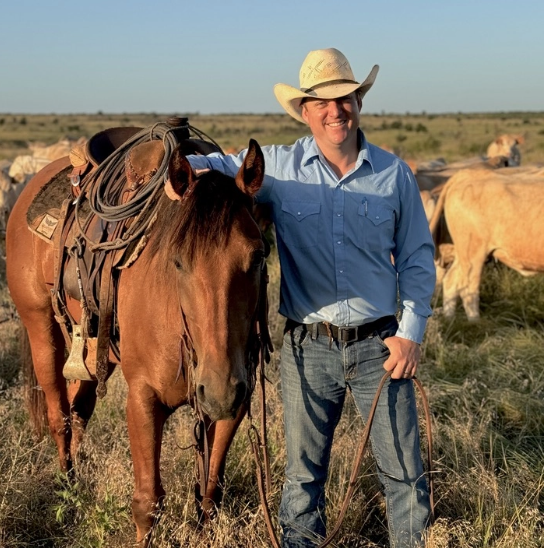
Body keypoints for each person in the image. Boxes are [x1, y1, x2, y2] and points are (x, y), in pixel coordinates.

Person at [182, 48, 436, 547]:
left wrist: (410, 335)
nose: (334, 111)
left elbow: (417, 259)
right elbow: (211, 164)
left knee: (405, 477)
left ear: (359, 103)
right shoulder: (277, 168)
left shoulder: (395, 174)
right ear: (304, 111)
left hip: (379, 348)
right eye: (321, 102)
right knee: (302, 480)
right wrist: (162, 170)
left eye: (344, 99)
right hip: (308, 348)